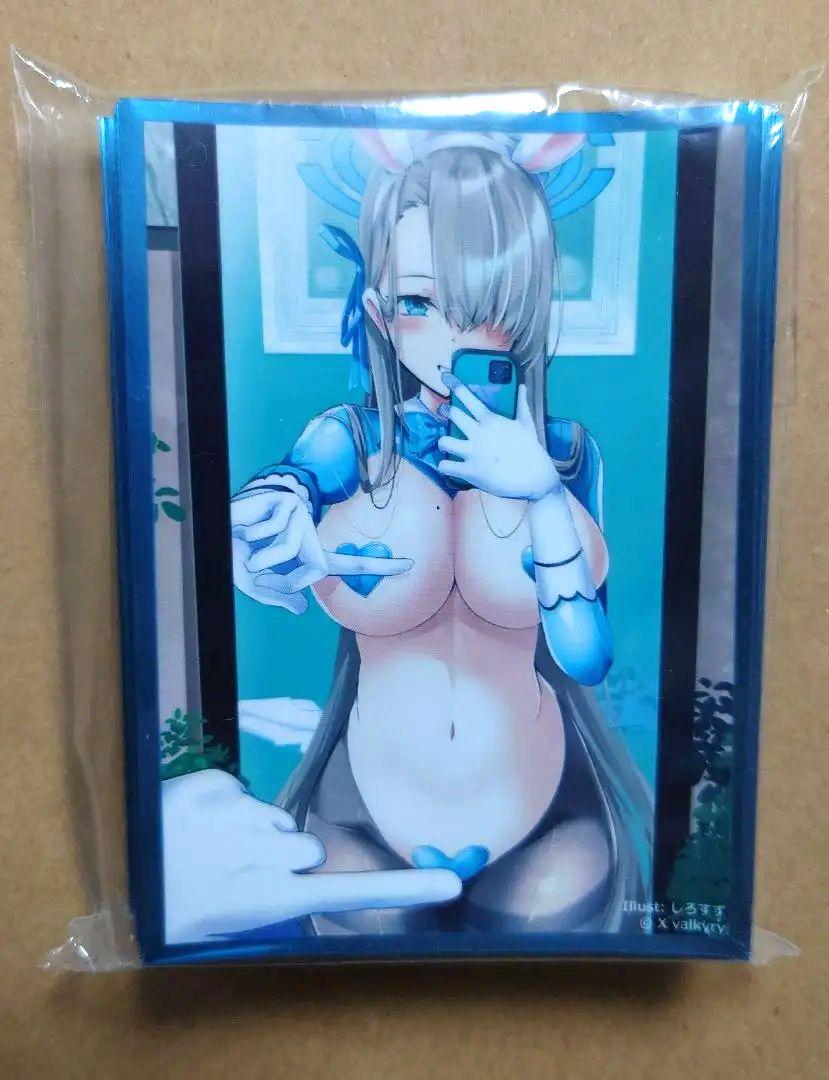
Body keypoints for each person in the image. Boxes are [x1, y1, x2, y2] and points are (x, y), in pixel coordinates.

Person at [231, 130, 651, 934]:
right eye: (421, 304)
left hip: (546, 822)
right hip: (362, 819)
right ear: (380, 313)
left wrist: (540, 493)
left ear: (526, 309)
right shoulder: (349, 443)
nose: (455, 339)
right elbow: (280, 495)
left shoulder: (565, 455)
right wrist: (262, 530)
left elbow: (587, 657)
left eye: (487, 305)